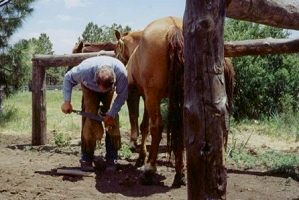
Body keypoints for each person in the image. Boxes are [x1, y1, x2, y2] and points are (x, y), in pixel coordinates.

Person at [61, 56, 128, 172]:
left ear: (114, 80)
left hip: (110, 92)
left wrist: (111, 114)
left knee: (112, 121)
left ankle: (112, 159)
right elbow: (68, 78)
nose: (102, 91)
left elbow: (122, 95)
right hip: (89, 89)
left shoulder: (121, 72)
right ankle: (86, 158)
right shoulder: (84, 70)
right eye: (100, 88)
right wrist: (67, 101)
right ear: (95, 79)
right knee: (89, 121)